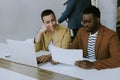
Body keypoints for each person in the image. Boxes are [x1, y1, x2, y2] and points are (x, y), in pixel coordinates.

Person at [68, 6, 120, 70]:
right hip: (83, 70)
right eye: (83, 22)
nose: (85, 25)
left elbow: (117, 60)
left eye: (88, 21)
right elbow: (71, 49)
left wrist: (93, 64)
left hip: (102, 71)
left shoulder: (111, 35)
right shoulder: (81, 32)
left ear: (98, 20)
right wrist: (57, 58)